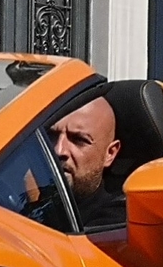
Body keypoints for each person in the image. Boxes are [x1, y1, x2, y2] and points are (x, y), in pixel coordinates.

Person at [51, 95, 125, 231]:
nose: (59, 150)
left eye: (78, 140)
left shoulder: (116, 222)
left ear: (110, 154)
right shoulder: (25, 202)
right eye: (52, 136)